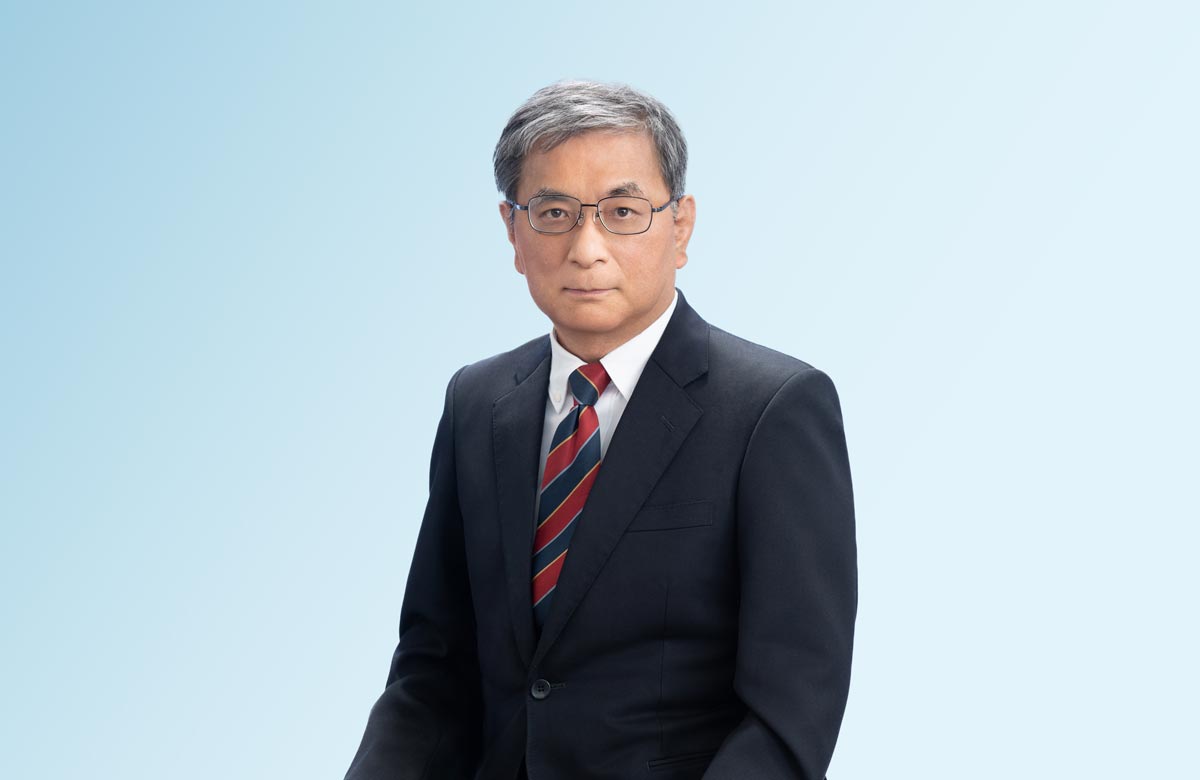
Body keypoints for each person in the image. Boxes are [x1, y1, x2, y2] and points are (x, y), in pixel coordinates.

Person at [344, 80, 857, 780]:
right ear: (513, 232)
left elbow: (790, 713)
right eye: (554, 212)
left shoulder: (774, 410)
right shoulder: (477, 402)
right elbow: (432, 674)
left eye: (622, 212)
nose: (587, 249)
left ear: (680, 226)